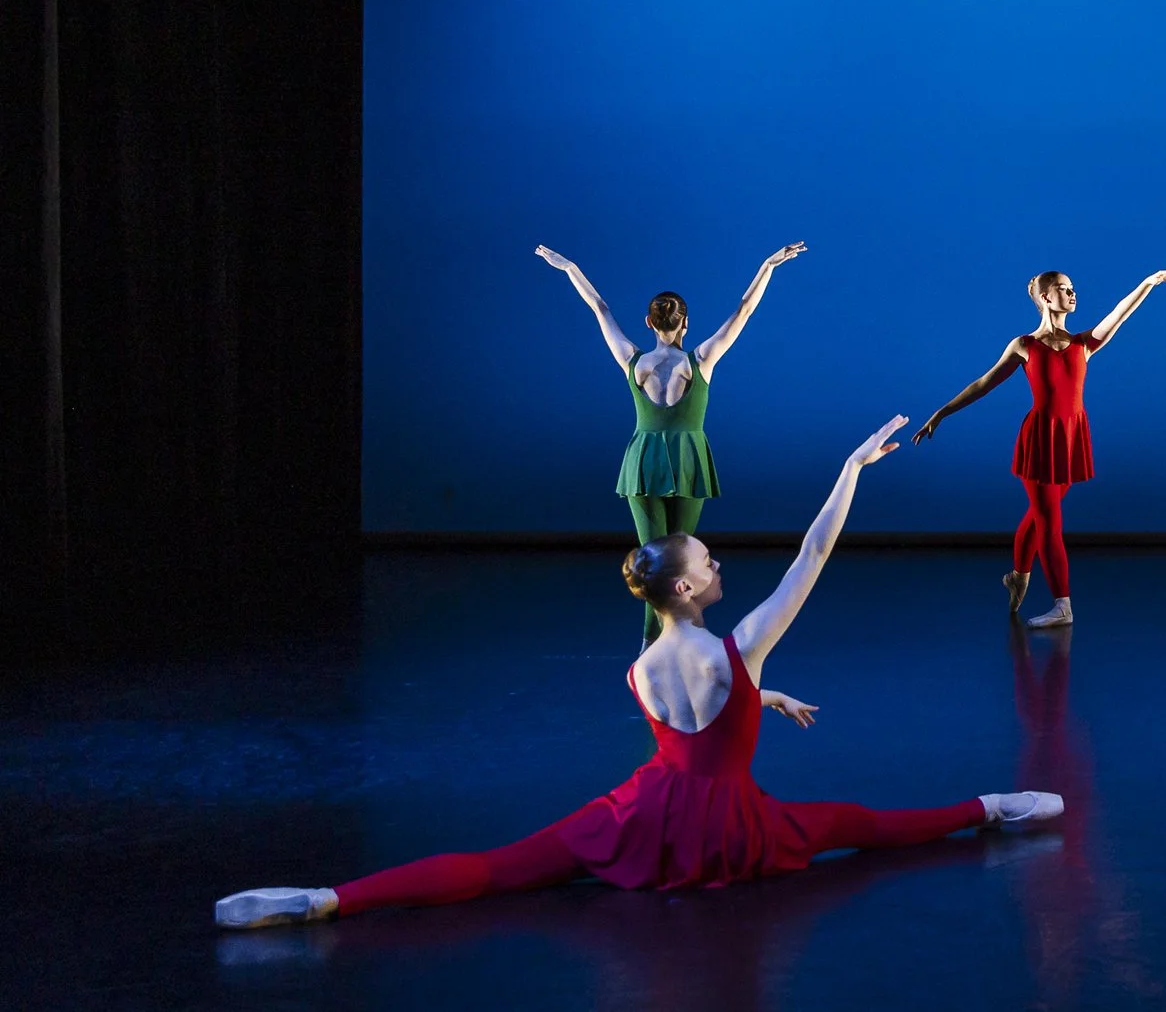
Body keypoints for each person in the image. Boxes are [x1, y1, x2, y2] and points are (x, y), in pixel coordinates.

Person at [213, 416, 1062, 930]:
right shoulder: (742, 646)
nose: (718, 559)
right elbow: (812, 557)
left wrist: (759, 697)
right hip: (730, 826)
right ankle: (993, 807)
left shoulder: (641, 663)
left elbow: (693, 730)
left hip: (644, 815)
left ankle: (328, 899)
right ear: (687, 585)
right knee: (854, 822)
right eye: (708, 556)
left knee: (500, 869)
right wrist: (849, 470)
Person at [535, 242, 806, 646]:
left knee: (652, 560)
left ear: (648, 322)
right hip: (687, 462)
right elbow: (744, 309)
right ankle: (672, 643)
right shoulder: (701, 360)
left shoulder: (632, 360)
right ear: (685, 324)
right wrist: (767, 265)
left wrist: (570, 267)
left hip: (644, 461)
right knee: (681, 559)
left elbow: (601, 308)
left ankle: (654, 643)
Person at [913, 268, 1166, 627]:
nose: (1072, 293)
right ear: (1043, 297)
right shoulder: (1025, 345)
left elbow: (1119, 312)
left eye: (1072, 288)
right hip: (1040, 440)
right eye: (1062, 288)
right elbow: (984, 382)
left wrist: (1146, 285)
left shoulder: (1084, 344)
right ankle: (1063, 605)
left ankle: (1019, 576)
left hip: (1070, 439)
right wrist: (942, 412)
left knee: (1039, 517)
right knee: (1050, 523)